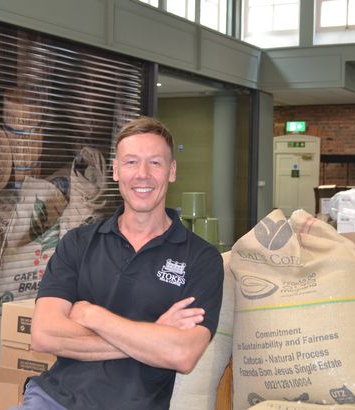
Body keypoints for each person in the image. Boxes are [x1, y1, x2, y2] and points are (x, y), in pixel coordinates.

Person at [14, 116, 224, 410]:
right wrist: (153, 333)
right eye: (130, 162)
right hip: (53, 399)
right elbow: (44, 335)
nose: (142, 174)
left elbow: (182, 354)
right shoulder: (77, 243)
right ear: (115, 171)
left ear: (172, 171)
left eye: (155, 163)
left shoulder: (201, 259)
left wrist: (92, 315)